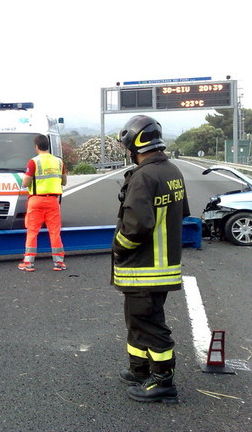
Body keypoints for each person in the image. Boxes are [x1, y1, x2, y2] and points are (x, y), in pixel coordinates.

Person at [113, 115, 189, 404]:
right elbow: (181, 214)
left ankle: (162, 380)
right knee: (138, 319)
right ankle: (140, 369)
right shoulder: (171, 170)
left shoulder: (145, 176)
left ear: (136, 145)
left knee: (148, 323)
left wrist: (119, 248)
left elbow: (136, 226)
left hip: (144, 268)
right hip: (163, 265)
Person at [18, 134, 67, 272]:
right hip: (53, 201)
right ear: (48, 146)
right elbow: (64, 181)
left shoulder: (33, 162)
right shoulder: (59, 162)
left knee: (32, 231)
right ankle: (58, 263)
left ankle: (28, 263)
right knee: (54, 232)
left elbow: (26, 182)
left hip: (36, 200)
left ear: (36, 147)